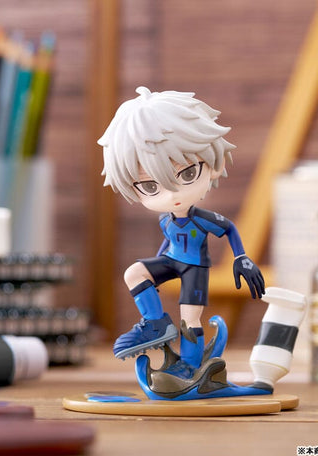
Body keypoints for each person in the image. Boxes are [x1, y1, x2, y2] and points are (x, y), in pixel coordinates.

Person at [98, 86, 264, 376]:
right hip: (171, 261)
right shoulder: (166, 220)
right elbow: (167, 242)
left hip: (195, 270)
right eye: (150, 186)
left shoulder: (202, 219)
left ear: (214, 165)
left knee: (190, 318)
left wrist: (241, 257)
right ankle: (155, 323)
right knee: (134, 273)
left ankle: (190, 365)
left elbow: (228, 228)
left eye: (188, 174)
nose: (172, 193)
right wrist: (155, 271)